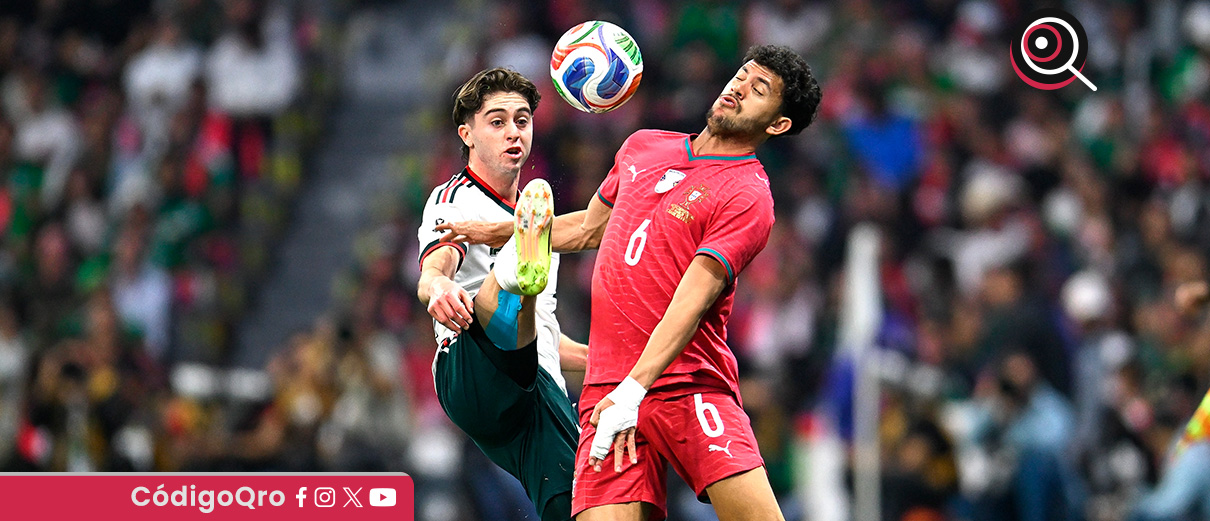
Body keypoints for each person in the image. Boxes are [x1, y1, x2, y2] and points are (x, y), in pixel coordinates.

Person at [438, 45, 822, 521]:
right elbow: (588, 229)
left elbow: (693, 301)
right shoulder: (644, 146)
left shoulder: (748, 194)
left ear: (778, 124)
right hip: (607, 388)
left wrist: (636, 389)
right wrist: (500, 231)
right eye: (742, 75)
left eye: (759, 89)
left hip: (686, 384)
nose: (739, 88)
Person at [416, 67, 587, 521]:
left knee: (580, 500)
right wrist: (438, 287)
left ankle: (516, 278)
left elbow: (546, 339)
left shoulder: (538, 222)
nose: (514, 131)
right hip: (472, 369)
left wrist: (608, 362)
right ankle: (511, 276)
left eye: (522, 120)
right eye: (497, 121)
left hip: (532, 388)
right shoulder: (455, 199)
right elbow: (434, 269)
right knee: (504, 297)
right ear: (467, 134)